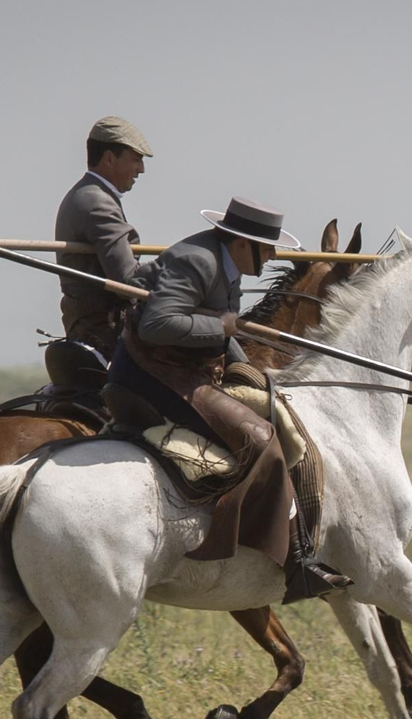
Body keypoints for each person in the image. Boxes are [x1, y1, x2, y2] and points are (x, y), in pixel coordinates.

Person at [109, 197, 351, 602]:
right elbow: (157, 325)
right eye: (266, 247)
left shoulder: (229, 264)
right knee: (261, 439)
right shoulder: (198, 261)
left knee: (274, 408)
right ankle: (288, 560)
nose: (272, 255)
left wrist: (254, 377)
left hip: (184, 371)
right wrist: (222, 325)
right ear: (242, 243)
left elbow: (226, 332)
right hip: (153, 377)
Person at [54, 116, 154, 359]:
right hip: (106, 330)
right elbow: (127, 283)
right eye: (136, 159)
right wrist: (183, 269)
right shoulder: (97, 202)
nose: (141, 169)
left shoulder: (89, 195)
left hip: (95, 324)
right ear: (109, 158)